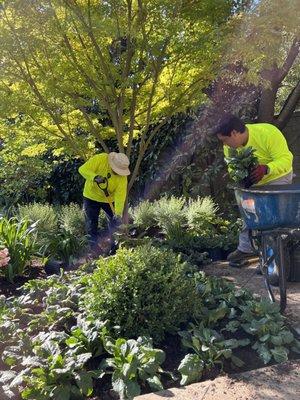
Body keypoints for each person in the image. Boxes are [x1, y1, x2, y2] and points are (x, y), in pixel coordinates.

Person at [215, 114, 293, 264]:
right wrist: (240, 177)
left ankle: (271, 258)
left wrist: (266, 169)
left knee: (270, 218)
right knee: (249, 211)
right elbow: (232, 168)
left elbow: (286, 159)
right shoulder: (230, 149)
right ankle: (246, 248)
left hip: (278, 178)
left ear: (234, 133)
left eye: (225, 140)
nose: (224, 145)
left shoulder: (268, 133)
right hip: (253, 182)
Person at [79, 152, 130, 251]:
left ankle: (114, 250)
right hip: (91, 196)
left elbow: (120, 196)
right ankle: (94, 250)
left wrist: (118, 213)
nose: (117, 173)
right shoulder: (100, 159)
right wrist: (94, 177)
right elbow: (82, 169)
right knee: (91, 224)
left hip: (109, 200)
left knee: (114, 223)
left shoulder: (122, 178)